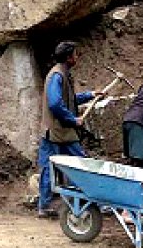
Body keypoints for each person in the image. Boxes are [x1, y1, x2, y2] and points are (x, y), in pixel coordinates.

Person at [37, 41, 103, 218]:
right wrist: (72, 120)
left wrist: (90, 95)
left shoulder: (64, 75)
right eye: (75, 54)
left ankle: (85, 200)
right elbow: (55, 104)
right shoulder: (57, 76)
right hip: (56, 132)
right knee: (54, 168)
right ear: (68, 58)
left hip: (63, 132)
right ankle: (45, 206)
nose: (77, 57)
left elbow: (69, 100)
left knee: (76, 164)